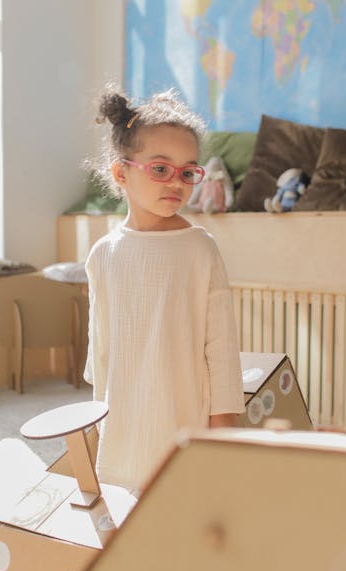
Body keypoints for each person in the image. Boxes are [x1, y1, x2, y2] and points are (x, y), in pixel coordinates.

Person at [84, 86, 245, 492]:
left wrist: (224, 434)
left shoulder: (199, 249)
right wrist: (96, 429)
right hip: (123, 430)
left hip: (185, 425)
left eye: (188, 171)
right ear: (121, 173)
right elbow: (100, 354)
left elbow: (222, 351)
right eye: (160, 168)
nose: (177, 182)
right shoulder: (103, 254)